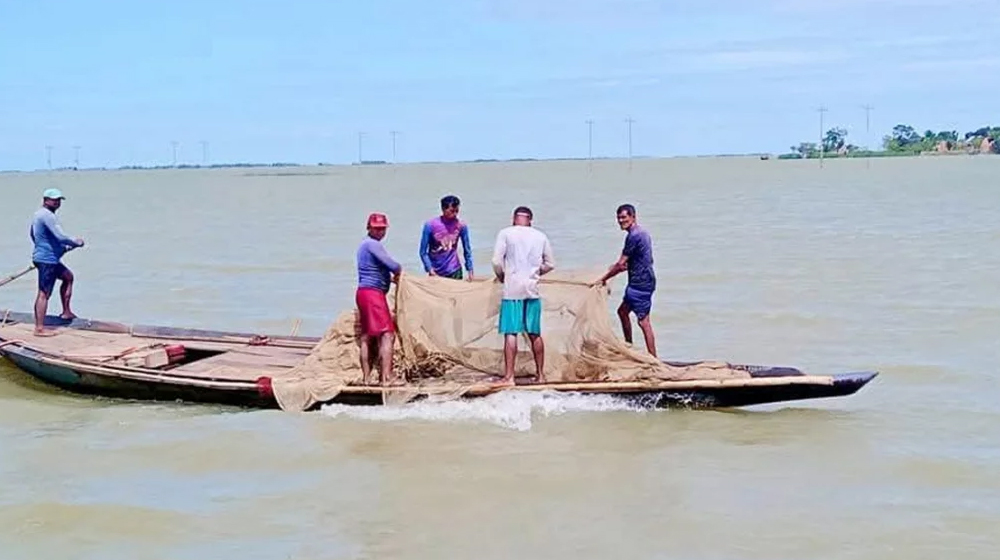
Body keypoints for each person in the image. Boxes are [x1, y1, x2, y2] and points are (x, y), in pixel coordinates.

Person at [491, 206, 555, 385]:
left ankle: (509, 377)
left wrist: (502, 276)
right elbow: (550, 264)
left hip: (512, 290)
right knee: (534, 332)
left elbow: (496, 261)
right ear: (530, 220)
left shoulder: (506, 233)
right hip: (532, 289)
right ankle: (540, 375)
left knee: (511, 332)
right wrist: (535, 273)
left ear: (514, 218)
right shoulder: (540, 236)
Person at [593, 203, 658, 357]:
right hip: (641, 280)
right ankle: (629, 347)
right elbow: (640, 259)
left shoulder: (634, 236)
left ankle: (654, 359)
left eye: (624, 217)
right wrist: (623, 267)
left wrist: (603, 279)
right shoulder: (642, 233)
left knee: (643, 322)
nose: (621, 221)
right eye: (619, 218)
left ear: (633, 217)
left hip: (641, 284)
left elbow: (621, 263)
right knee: (622, 312)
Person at [356, 212, 403, 386]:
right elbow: (392, 265)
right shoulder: (372, 245)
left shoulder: (364, 245)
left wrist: (388, 278)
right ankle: (387, 378)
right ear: (368, 228)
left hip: (363, 292)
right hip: (373, 294)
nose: (380, 232)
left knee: (367, 336)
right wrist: (399, 271)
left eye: (383, 229)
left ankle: (367, 378)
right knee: (387, 335)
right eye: (376, 229)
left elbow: (374, 269)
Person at [30, 188, 85, 337]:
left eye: (59, 200)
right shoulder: (47, 215)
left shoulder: (38, 214)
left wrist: (60, 248)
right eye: (54, 200)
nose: (57, 203)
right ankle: (39, 328)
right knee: (44, 293)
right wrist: (76, 242)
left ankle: (66, 312)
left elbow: (34, 235)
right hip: (46, 260)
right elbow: (60, 236)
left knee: (68, 277)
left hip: (48, 258)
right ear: (45, 200)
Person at [419, 194, 474, 280]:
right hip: (436, 271)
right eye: (452, 211)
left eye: (457, 210)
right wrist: (430, 269)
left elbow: (467, 250)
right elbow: (423, 252)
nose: (455, 214)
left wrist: (470, 270)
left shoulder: (461, 225)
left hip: (454, 270)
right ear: (443, 209)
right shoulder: (430, 225)